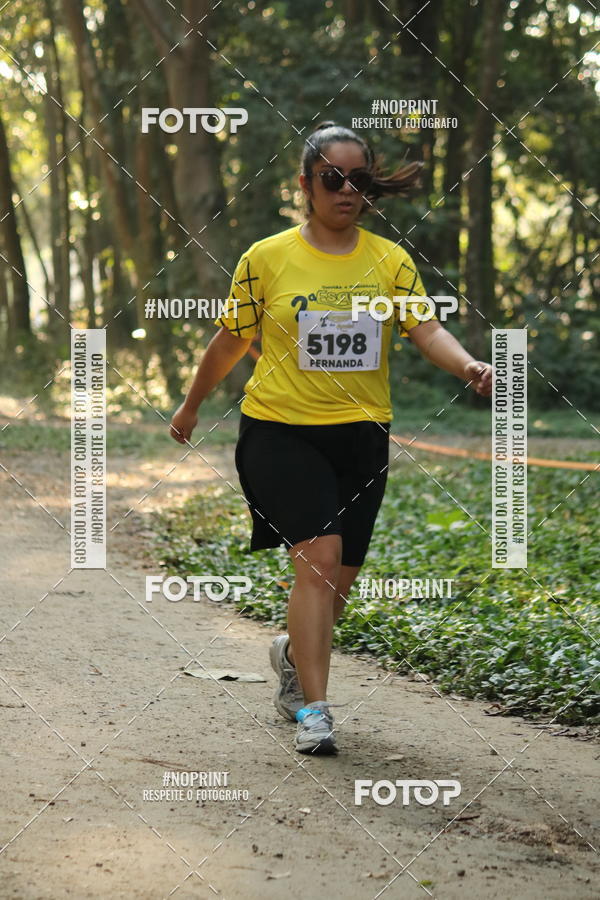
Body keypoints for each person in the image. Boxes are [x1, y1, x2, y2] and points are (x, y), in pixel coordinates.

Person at [170, 122, 492, 756]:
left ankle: (293, 654)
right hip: (280, 431)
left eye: (358, 179)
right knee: (317, 563)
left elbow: (425, 331)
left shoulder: (390, 260)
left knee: (335, 583)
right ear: (306, 185)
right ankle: (314, 710)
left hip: (361, 438)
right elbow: (232, 339)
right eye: (331, 178)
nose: (346, 190)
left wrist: (469, 365)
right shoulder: (266, 258)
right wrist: (191, 404)